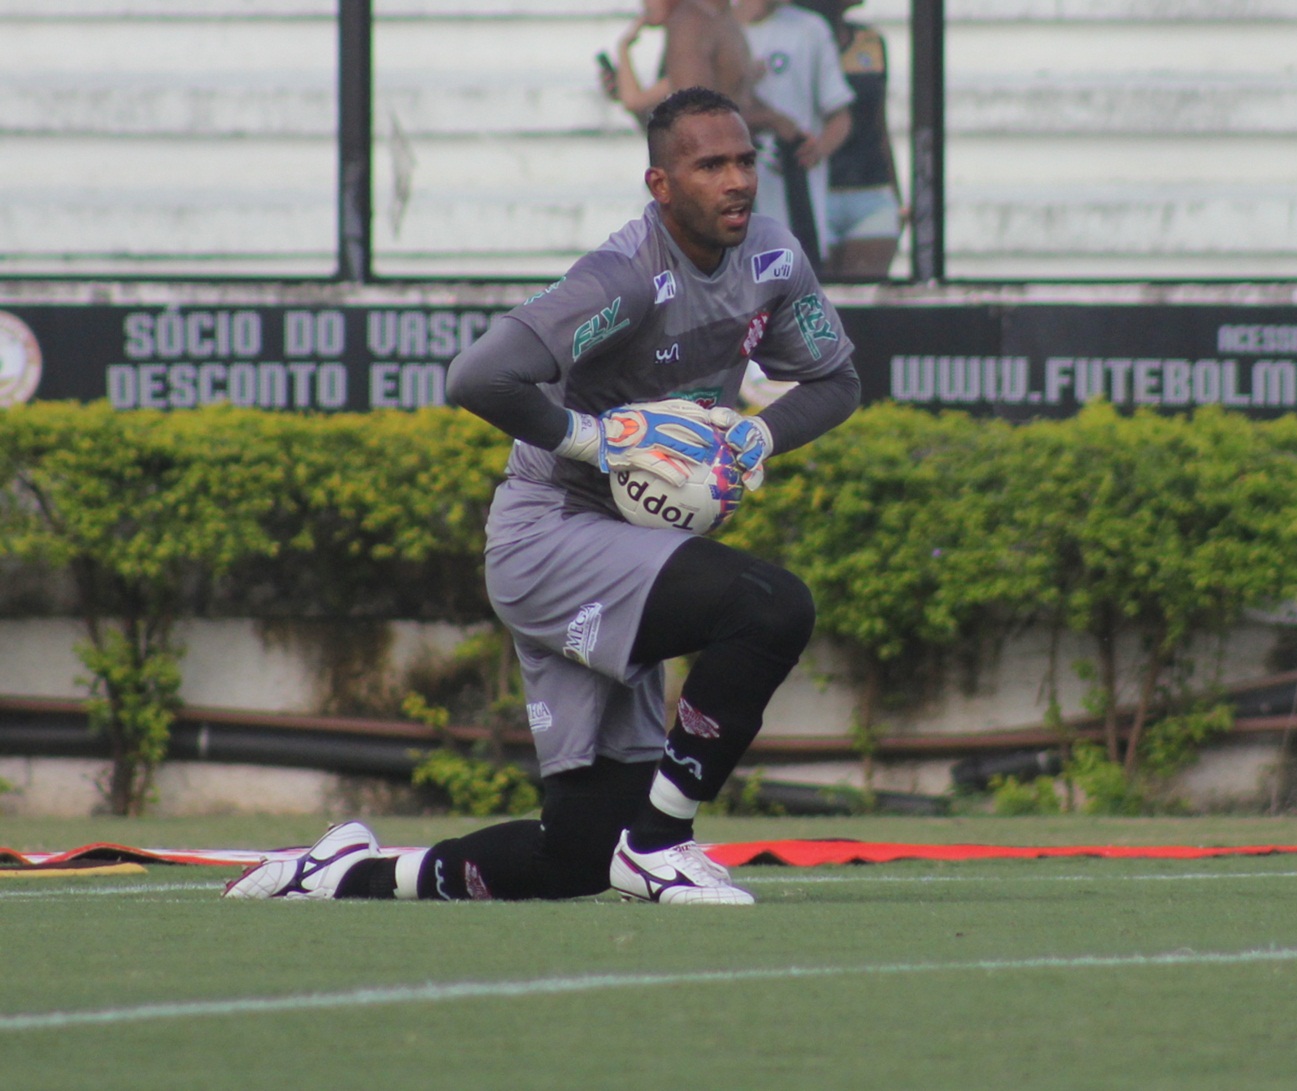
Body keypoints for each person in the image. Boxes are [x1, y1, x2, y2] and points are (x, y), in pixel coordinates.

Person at [224, 87, 860, 907]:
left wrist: (756, 435)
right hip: (550, 534)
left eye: (744, 160)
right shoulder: (623, 278)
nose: (735, 180)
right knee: (769, 607)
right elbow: (477, 375)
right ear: (659, 186)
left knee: (577, 854)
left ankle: (343, 872)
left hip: (624, 544)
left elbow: (834, 379)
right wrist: (596, 440)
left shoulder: (773, 258)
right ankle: (663, 845)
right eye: (708, 165)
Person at [734, 0, 855, 270]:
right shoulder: (715, 27)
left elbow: (840, 114)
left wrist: (819, 147)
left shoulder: (809, 29)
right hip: (736, 207)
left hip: (796, 202)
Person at [794, 0, 903, 280]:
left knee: (865, 296)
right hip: (816, 191)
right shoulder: (795, 40)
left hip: (871, 189)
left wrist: (896, 195)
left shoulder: (870, 41)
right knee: (821, 302)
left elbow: (879, 121)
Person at [601, 0, 760, 126]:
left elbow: (633, 101)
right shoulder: (713, 20)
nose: (645, 4)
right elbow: (660, 125)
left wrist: (624, 48)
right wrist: (621, 87)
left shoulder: (689, 27)